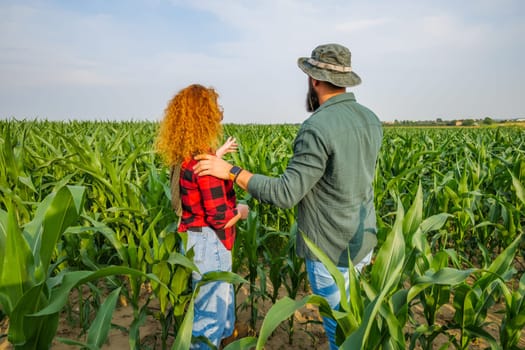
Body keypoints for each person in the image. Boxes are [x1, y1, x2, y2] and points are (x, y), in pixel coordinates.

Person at [193, 43, 383, 349]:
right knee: (356, 328)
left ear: (314, 80)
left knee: (342, 337)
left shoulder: (317, 127)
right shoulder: (371, 119)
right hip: (363, 243)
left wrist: (230, 171)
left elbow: (284, 193)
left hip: (330, 252)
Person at [155, 84, 249, 349]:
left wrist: (216, 155)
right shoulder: (207, 167)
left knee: (222, 303)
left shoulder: (186, 157)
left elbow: (193, 178)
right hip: (212, 243)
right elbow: (221, 219)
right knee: (209, 317)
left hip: (196, 240)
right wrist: (242, 211)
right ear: (204, 117)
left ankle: (226, 340)